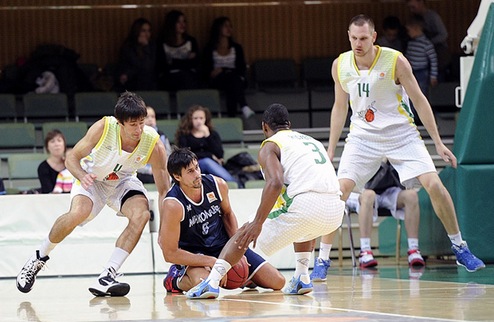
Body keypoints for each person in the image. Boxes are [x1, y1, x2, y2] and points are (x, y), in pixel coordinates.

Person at [316, 15, 484, 279]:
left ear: (373, 37)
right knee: (338, 192)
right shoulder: (340, 65)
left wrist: (438, 142)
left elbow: (419, 100)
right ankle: (322, 260)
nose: (358, 43)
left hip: (401, 134)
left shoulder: (395, 61)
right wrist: (330, 149)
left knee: (435, 185)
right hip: (363, 137)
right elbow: (339, 108)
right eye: (353, 38)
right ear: (348, 36)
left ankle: (460, 246)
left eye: (363, 38)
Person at [16, 91, 171, 296]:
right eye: (133, 124)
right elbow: (72, 158)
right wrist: (82, 175)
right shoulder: (103, 127)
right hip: (92, 178)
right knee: (78, 213)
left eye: (142, 123)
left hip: (122, 181)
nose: (139, 129)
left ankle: (108, 275)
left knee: (142, 214)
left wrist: (165, 229)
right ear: (120, 123)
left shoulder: (153, 143)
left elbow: (164, 191)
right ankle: (38, 257)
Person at [185, 103, 345, 299]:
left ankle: (212, 282)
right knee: (303, 223)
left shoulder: (270, 145)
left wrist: (257, 223)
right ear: (289, 124)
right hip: (336, 211)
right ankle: (302, 276)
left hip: (306, 205)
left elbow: (275, 183)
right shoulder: (312, 141)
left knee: (244, 232)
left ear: (264, 127)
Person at [158, 147, 285, 294]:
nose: (197, 174)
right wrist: (211, 261)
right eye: (190, 171)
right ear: (177, 176)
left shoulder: (217, 185)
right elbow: (170, 253)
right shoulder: (173, 204)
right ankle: (175, 280)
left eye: (197, 167)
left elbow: (228, 214)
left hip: (222, 246)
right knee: (206, 287)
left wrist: (237, 250)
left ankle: (244, 278)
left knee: (278, 281)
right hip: (195, 254)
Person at [311, 162, 424, 278]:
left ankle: (413, 249)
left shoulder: (391, 148)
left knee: (411, 195)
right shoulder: (357, 150)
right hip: (359, 191)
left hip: (388, 191)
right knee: (369, 195)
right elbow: (346, 183)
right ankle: (365, 251)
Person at [203, 16, 254, 119]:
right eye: (225, 26)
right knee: (230, 80)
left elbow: (241, 68)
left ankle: (232, 116)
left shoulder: (237, 48)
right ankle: (243, 107)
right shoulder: (209, 48)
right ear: (218, 28)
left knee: (231, 81)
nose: (229, 29)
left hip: (235, 78)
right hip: (218, 80)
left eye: (230, 26)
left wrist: (224, 69)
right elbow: (206, 69)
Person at [175, 104, 237, 186]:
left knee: (208, 162)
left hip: (212, 165)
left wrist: (208, 135)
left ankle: (232, 184)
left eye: (201, 118)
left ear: (205, 119)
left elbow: (219, 154)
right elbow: (185, 154)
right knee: (206, 161)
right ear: (190, 119)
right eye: (195, 118)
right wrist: (210, 155)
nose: (198, 121)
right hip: (192, 166)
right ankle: (232, 182)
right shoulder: (184, 135)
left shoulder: (212, 134)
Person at [406, 0, 450, 80]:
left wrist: (428, 43)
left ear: (421, 3)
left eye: (413, 7)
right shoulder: (413, 18)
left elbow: (444, 35)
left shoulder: (433, 17)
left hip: (438, 50)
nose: (411, 10)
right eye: (409, 8)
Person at [157, 10, 200, 92]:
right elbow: (162, 66)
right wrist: (186, 61)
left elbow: (195, 64)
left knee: (187, 78)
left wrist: (173, 62)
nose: (182, 25)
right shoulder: (162, 43)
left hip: (189, 76)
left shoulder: (191, 41)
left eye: (184, 21)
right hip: (170, 77)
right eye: (178, 22)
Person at [115, 18, 157, 92]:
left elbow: (149, 67)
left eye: (148, 31)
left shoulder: (152, 46)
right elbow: (136, 65)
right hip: (132, 79)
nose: (147, 34)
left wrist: (146, 47)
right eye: (143, 31)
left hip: (148, 79)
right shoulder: (128, 47)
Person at [137, 106, 173, 184]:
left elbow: (168, 155)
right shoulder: (137, 136)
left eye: (152, 117)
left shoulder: (162, 136)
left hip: (161, 170)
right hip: (144, 172)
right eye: (147, 117)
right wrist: (148, 170)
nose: (150, 119)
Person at [405, 16, 438, 98]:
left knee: (421, 93)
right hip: (411, 71)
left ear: (415, 29)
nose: (408, 33)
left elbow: (433, 60)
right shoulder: (411, 43)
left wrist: (433, 76)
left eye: (409, 30)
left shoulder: (427, 44)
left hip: (422, 72)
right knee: (410, 92)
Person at [38, 129, 74, 194]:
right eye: (52, 141)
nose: (56, 144)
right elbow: (47, 190)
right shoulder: (43, 167)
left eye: (59, 140)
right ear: (47, 147)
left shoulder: (73, 164)